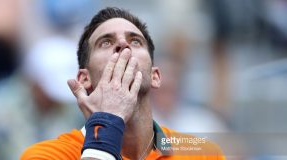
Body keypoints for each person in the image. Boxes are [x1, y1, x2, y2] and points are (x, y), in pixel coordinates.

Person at [21, 7, 225, 160]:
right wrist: (108, 121)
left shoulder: (205, 153)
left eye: (135, 41)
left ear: (155, 76)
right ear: (84, 79)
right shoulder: (46, 155)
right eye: (106, 42)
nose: (123, 44)